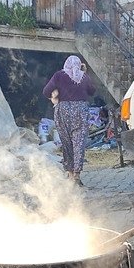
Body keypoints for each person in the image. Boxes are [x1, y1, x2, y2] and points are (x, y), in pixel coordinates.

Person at [43, 55, 95, 186]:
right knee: (79, 143)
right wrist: (85, 72)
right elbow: (92, 91)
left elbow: (46, 91)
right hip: (80, 111)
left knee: (67, 143)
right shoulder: (84, 77)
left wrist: (55, 94)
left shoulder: (59, 75)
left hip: (63, 111)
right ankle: (77, 175)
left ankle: (70, 174)